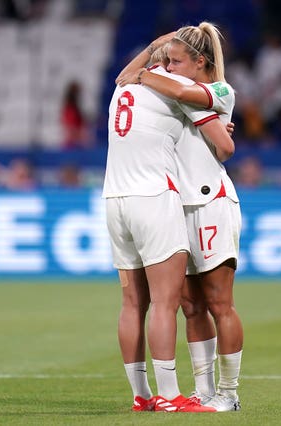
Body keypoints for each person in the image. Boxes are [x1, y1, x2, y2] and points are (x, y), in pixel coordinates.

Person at [105, 32, 233, 413]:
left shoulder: (124, 86)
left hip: (114, 199)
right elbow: (223, 147)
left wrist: (146, 57)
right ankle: (169, 395)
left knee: (131, 303)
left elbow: (128, 80)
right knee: (165, 303)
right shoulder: (177, 85)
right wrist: (219, 130)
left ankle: (140, 396)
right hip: (154, 198)